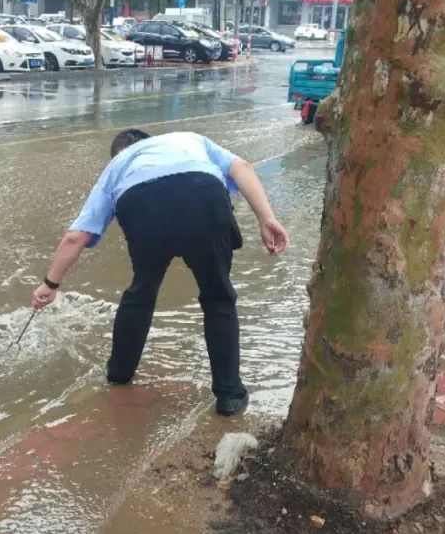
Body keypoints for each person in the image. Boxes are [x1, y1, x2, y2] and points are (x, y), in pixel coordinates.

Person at [31, 129, 289, 416]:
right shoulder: (189, 139)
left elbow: (75, 237)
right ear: (149, 141)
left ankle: (118, 375)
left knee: (141, 291)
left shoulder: (117, 166)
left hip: (140, 204)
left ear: (118, 153)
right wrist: (267, 219)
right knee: (218, 297)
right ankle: (229, 396)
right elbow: (242, 167)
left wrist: (50, 284)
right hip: (203, 193)